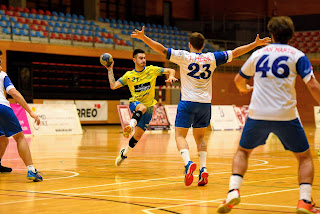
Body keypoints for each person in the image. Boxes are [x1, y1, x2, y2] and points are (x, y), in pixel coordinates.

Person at [131, 27, 270, 187]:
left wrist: (144, 38)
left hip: (188, 102)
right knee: (201, 138)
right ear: (203, 46)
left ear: (190, 44)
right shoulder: (212, 58)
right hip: (205, 104)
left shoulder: (184, 56)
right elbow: (236, 52)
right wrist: (255, 43)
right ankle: (203, 169)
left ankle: (188, 163)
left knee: (180, 136)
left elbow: (161, 49)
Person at [217, 16, 320, 214]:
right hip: (286, 114)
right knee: (304, 158)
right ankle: (305, 201)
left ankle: (232, 191)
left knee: (242, 152)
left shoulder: (259, 54)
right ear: (291, 35)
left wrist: (244, 88)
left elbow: (239, 79)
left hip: (258, 113)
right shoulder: (297, 55)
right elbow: (312, 85)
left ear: (271, 34)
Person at [105, 49, 177, 166]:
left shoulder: (151, 70)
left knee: (138, 136)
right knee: (141, 107)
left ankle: (124, 153)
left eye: (144, 58)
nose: (144, 60)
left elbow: (171, 70)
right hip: (136, 103)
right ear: (134, 60)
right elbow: (113, 86)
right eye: (141, 58)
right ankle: (131, 125)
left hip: (149, 108)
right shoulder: (129, 75)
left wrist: (172, 76)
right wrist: (110, 70)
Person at [0, 50, 42, 181]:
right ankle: (31, 170)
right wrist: (30, 111)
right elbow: (14, 93)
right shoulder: (2, 75)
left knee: (3, 138)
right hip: (1, 106)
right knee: (20, 138)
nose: (1, 61)